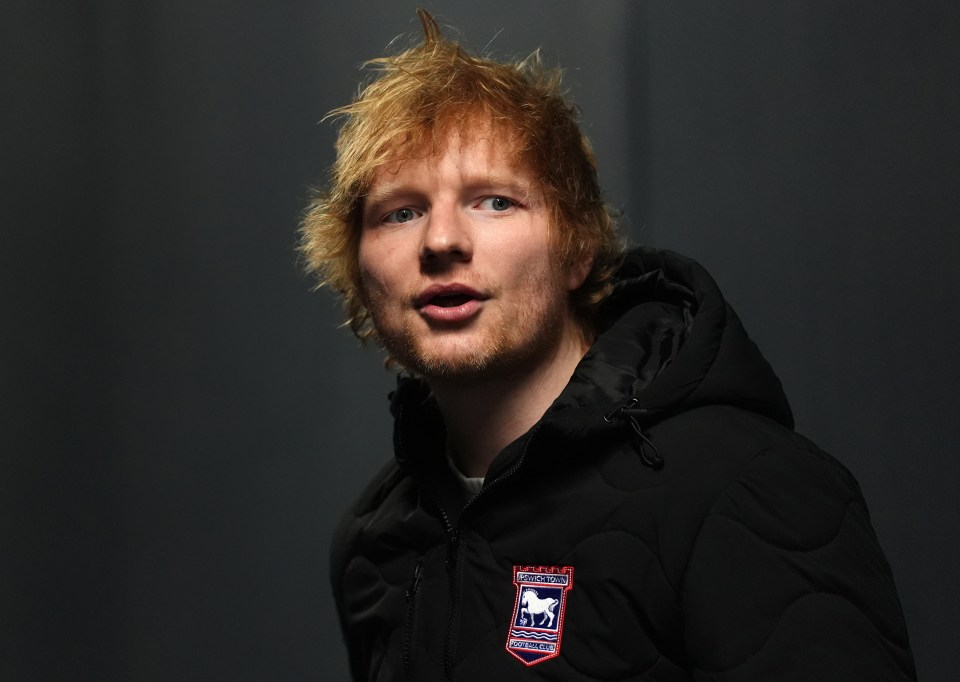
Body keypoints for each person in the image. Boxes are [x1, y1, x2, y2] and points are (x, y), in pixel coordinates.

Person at [301, 10, 916, 681]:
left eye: (496, 201)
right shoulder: (373, 544)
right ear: (357, 269)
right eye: (401, 211)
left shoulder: (743, 486)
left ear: (579, 249)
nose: (441, 240)